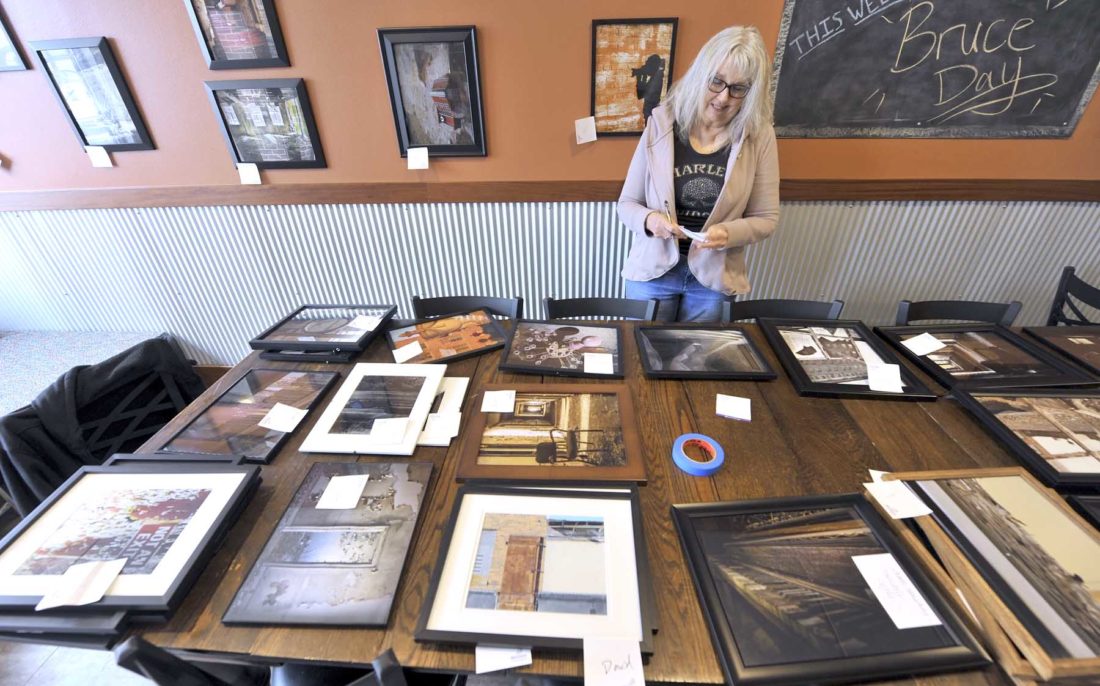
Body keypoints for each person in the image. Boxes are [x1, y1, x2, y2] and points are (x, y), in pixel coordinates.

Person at [618, 26, 779, 321]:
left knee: (700, 351)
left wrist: (728, 234)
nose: (723, 97)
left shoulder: (759, 136)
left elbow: (766, 218)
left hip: (713, 279)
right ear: (700, 75)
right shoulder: (661, 123)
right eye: (716, 82)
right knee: (641, 347)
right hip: (654, 271)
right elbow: (627, 204)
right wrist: (650, 220)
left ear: (752, 93)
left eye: (738, 88)